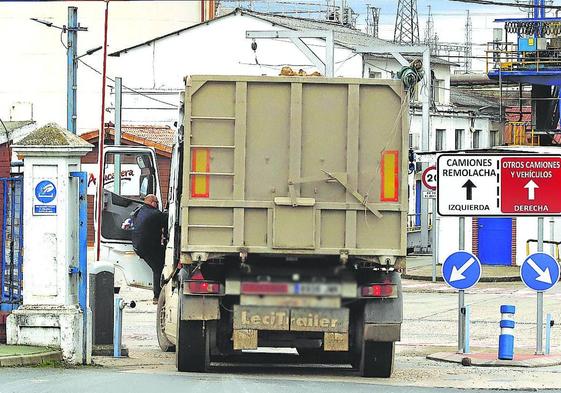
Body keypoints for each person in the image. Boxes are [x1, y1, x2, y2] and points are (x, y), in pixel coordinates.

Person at [132, 194, 167, 304]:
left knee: (160, 258)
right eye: (156, 202)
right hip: (148, 247)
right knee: (158, 267)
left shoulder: (139, 211)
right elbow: (167, 221)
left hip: (138, 246)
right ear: (153, 203)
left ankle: (160, 289)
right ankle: (157, 296)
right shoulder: (155, 214)